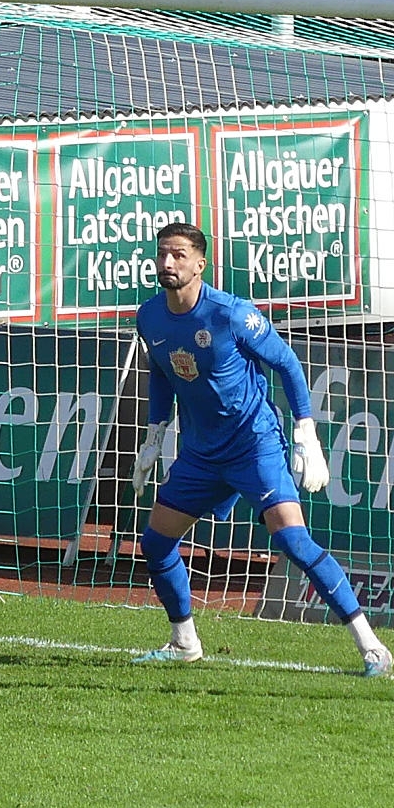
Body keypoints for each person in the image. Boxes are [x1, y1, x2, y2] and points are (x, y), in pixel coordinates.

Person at [129, 221, 391, 674]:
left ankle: (372, 647)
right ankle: (183, 641)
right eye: (162, 254)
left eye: (178, 255)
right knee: (156, 543)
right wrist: (154, 435)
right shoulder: (149, 316)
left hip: (254, 445)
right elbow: (160, 373)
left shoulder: (230, 314)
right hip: (201, 454)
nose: (167, 263)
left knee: (292, 540)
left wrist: (306, 434)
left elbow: (287, 363)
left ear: (200, 264)